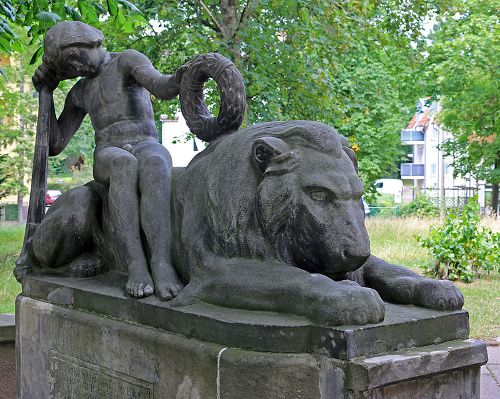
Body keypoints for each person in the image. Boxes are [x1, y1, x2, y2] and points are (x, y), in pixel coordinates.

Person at [32, 21, 184, 300]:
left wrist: (183, 77)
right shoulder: (80, 92)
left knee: (155, 163)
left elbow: (161, 86)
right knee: (122, 164)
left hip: (145, 142)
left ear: (92, 42)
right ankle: (135, 265)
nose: (77, 69)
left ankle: (162, 263)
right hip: (108, 152)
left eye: (77, 59)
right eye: (69, 67)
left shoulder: (127, 61)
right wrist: (47, 94)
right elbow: (55, 144)